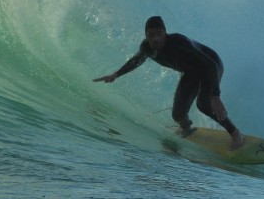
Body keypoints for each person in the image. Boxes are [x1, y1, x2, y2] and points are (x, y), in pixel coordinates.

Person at [94, 16, 245, 151]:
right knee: (178, 114)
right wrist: (116, 75)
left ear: (165, 33)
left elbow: (210, 65)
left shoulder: (179, 42)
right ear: (146, 35)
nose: (156, 39)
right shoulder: (147, 48)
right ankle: (186, 128)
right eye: (151, 35)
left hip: (210, 66)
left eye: (159, 34)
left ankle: (235, 133)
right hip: (192, 72)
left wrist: (216, 96)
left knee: (203, 105)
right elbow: (136, 61)